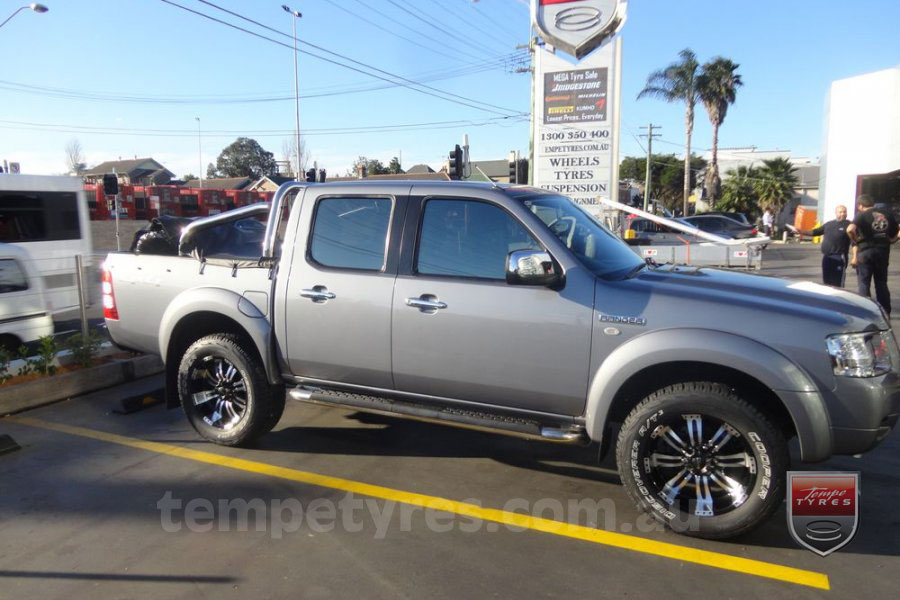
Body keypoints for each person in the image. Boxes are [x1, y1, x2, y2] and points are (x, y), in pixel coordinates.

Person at [847, 195, 899, 315]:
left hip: (865, 251)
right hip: (882, 252)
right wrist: (892, 240)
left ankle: (866, 312)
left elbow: (850, 229)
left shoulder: (861, 215)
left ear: (860, 205)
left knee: (864, 283)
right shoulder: (887, 214)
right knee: (881, 283)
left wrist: (855, 240)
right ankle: (885, 313)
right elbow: (896, 232)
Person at [786, 205, 851, 287]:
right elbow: (815, 232)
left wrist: (855, 256)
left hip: (839, 257)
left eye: (844, 212)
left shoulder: (849, 225)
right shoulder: (829, 224)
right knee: (827, 281)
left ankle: (838, 298)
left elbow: (855, 240)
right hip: (827, 257)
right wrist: (799, 231)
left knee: (837, 283)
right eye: (840, 212)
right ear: (835, 213)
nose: (843, 214)